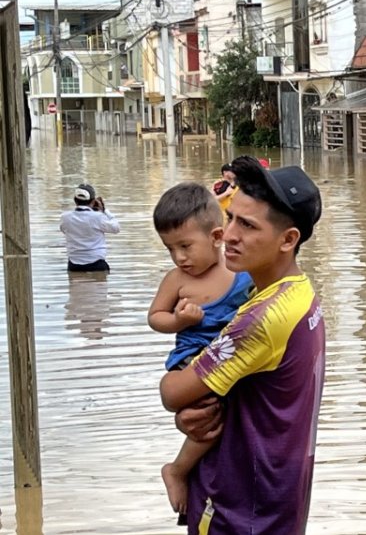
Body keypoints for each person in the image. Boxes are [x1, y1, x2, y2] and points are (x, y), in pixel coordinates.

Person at [160, 155, 324, 534]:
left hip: (237, 508)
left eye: (247, 225)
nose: (229, 235)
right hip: (277, 502)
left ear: (288, 240)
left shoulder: (261, 318)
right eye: (231, 217)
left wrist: (182, 402)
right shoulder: (300, 294)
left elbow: (173, 392)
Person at [148, 183, 254, 520]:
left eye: (185, 246)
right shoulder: (177, 280)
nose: (180, 257)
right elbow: (155, 317)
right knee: (209, 416)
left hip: (228, 358)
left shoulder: (241, 274)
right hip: (192, 359)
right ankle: (178, 469)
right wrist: (178, 319)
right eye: (170, 249)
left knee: (226, 413)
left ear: (217, 236)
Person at [60, 183, 120, 272]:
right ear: (93, 201)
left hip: (74, 266)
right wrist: (104, 210)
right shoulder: (98, 217)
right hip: (97, 265)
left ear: (75, 200)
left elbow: (63, 229)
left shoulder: (65, 217)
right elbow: (116, 228)